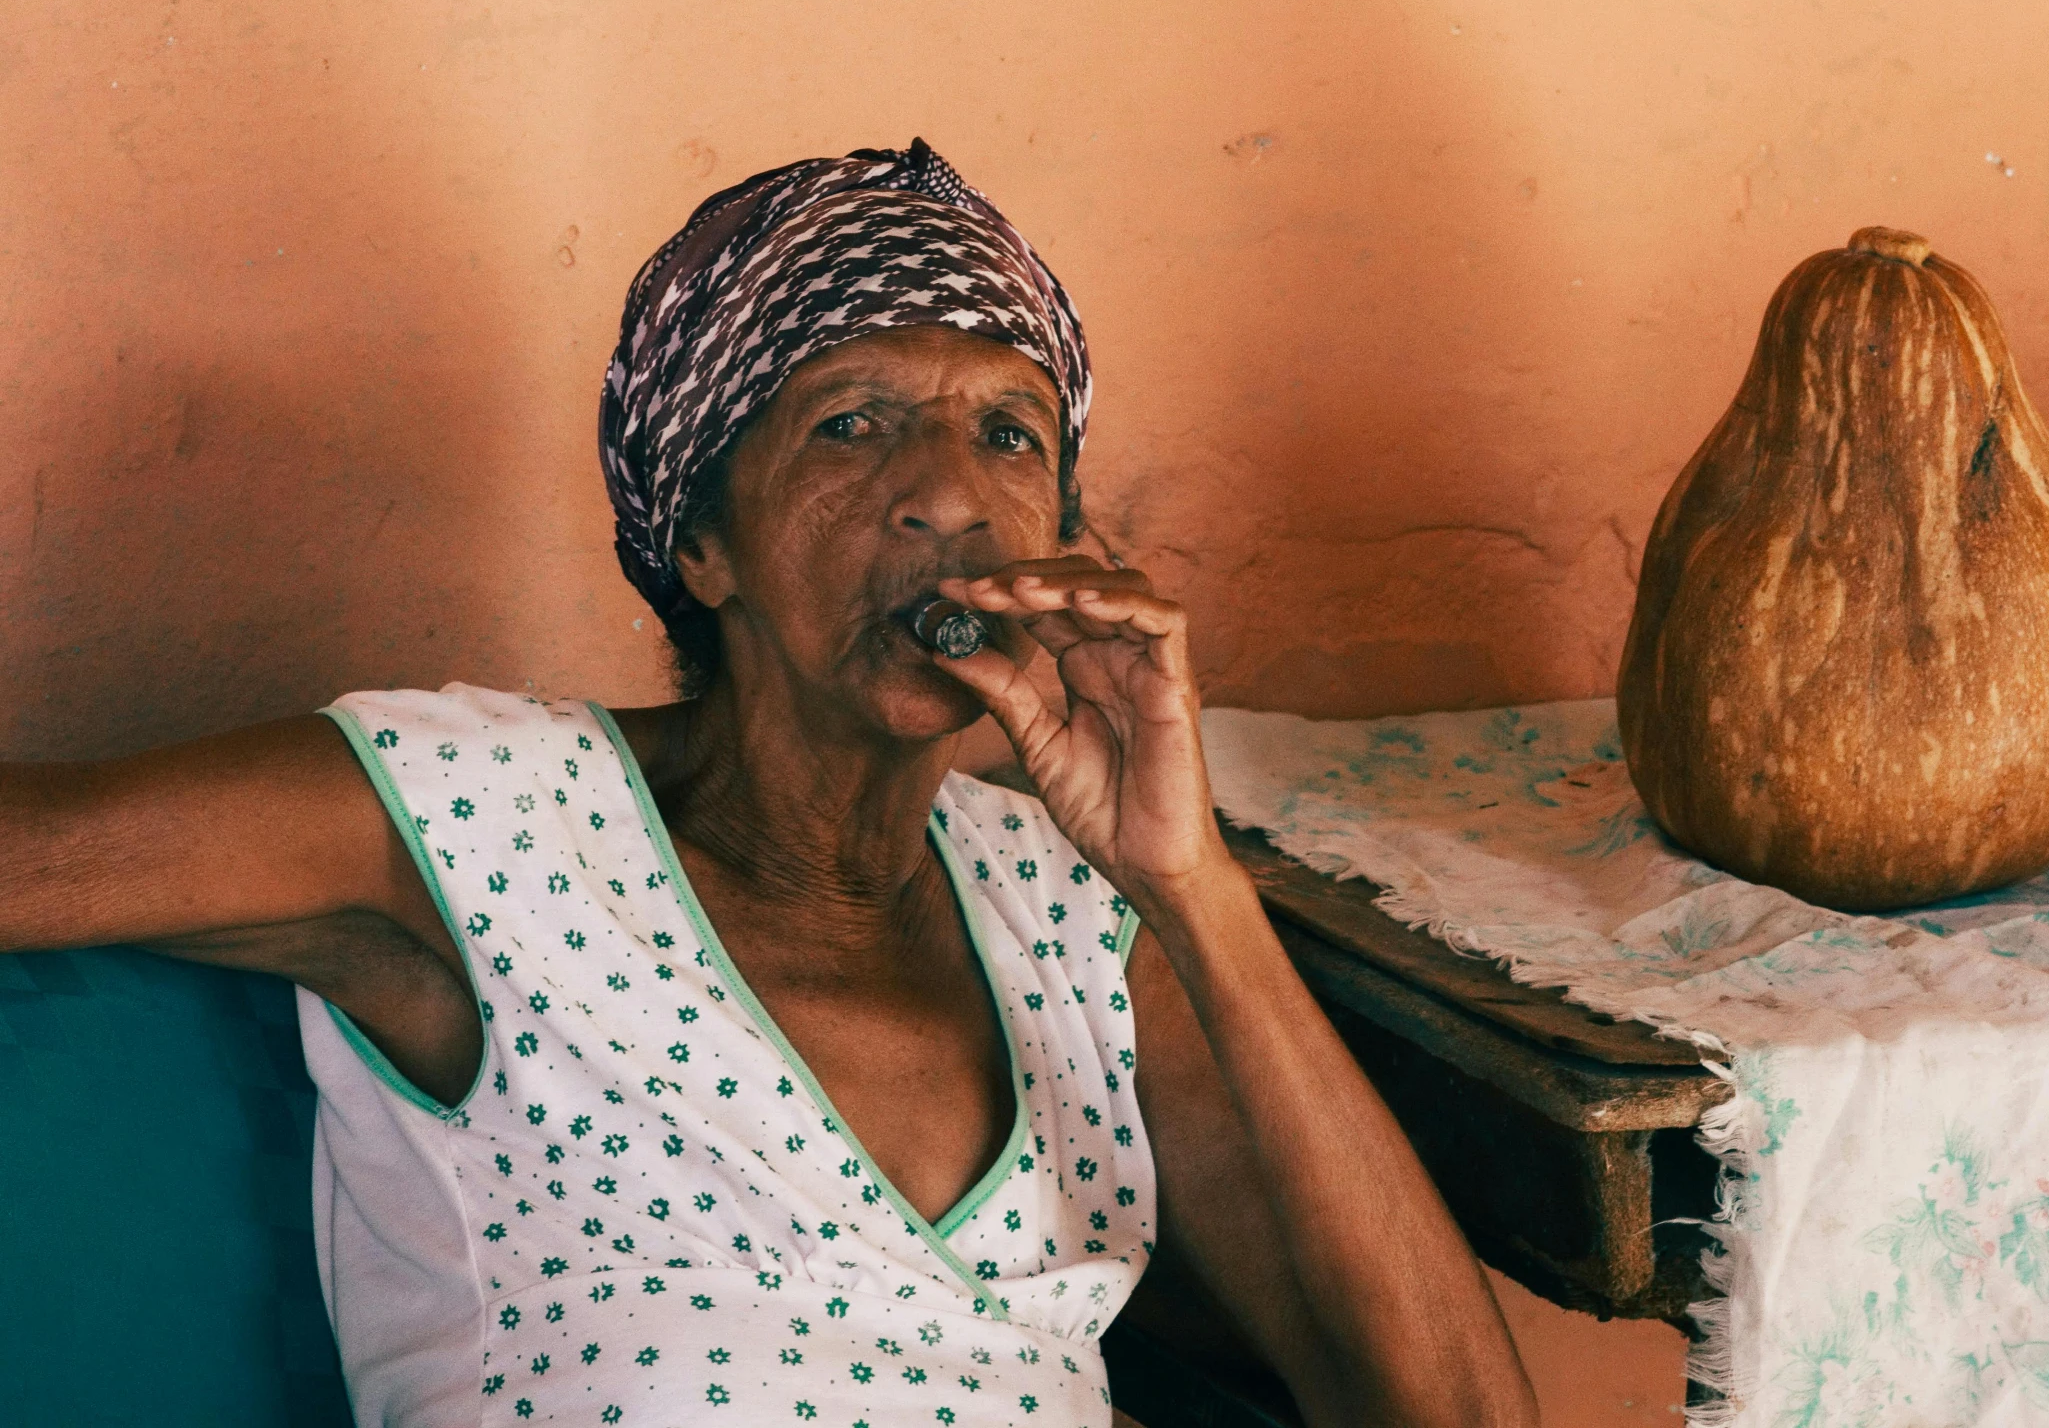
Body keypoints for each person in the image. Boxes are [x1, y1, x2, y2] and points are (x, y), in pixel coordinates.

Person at [0, 141, 1536, 1428]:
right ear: (701, 543)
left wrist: (1191, 882)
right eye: (852, 424)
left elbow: (1447, 1415)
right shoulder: (483, 818)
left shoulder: (1078, 910)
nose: (946, 492)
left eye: (1008, 432)